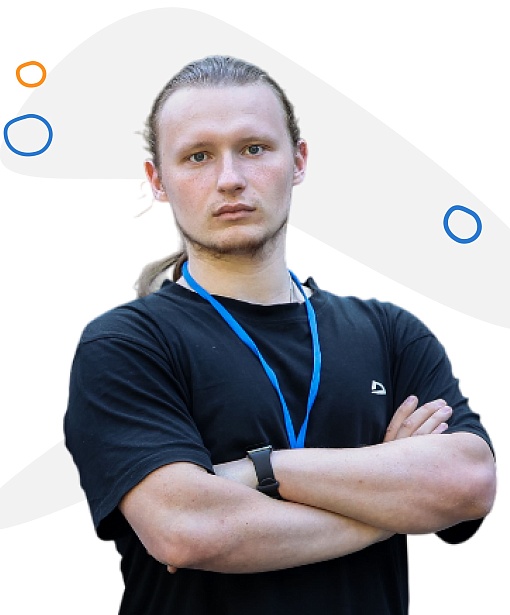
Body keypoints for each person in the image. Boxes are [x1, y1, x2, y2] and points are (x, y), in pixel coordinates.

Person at [64, 55, 496, 615]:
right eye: (198, 156)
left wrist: (259, 472)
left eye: (254, 148)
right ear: (157, 180)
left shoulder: (391, 334)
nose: (230, 178)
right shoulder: (127, 345)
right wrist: (396, 500)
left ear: (298, 160)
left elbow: (468, 483)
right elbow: (188, 530)